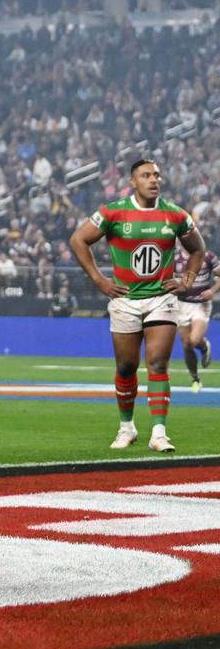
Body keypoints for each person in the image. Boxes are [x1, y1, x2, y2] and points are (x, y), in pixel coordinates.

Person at [70, 159, 204, 454]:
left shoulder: (175, 214)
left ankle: (159, 433)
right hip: (125, 300)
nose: (154, 179)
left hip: (161, 299)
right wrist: (100, 281)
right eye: (146, 175)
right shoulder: (112, 212)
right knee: (127, 366)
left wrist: (187, 280)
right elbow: (79, 240)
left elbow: (197, 248)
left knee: (157, 363)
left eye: (156, 174)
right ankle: (127, 427)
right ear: (133, 181)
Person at [173, 243, 220, 392]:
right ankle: (195, 379)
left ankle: (203, 346)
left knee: (192, 341)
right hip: (181, 305)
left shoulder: (208, 256)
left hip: (201, 304)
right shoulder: (174, 258)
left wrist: (212, 290)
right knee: (187, 344)